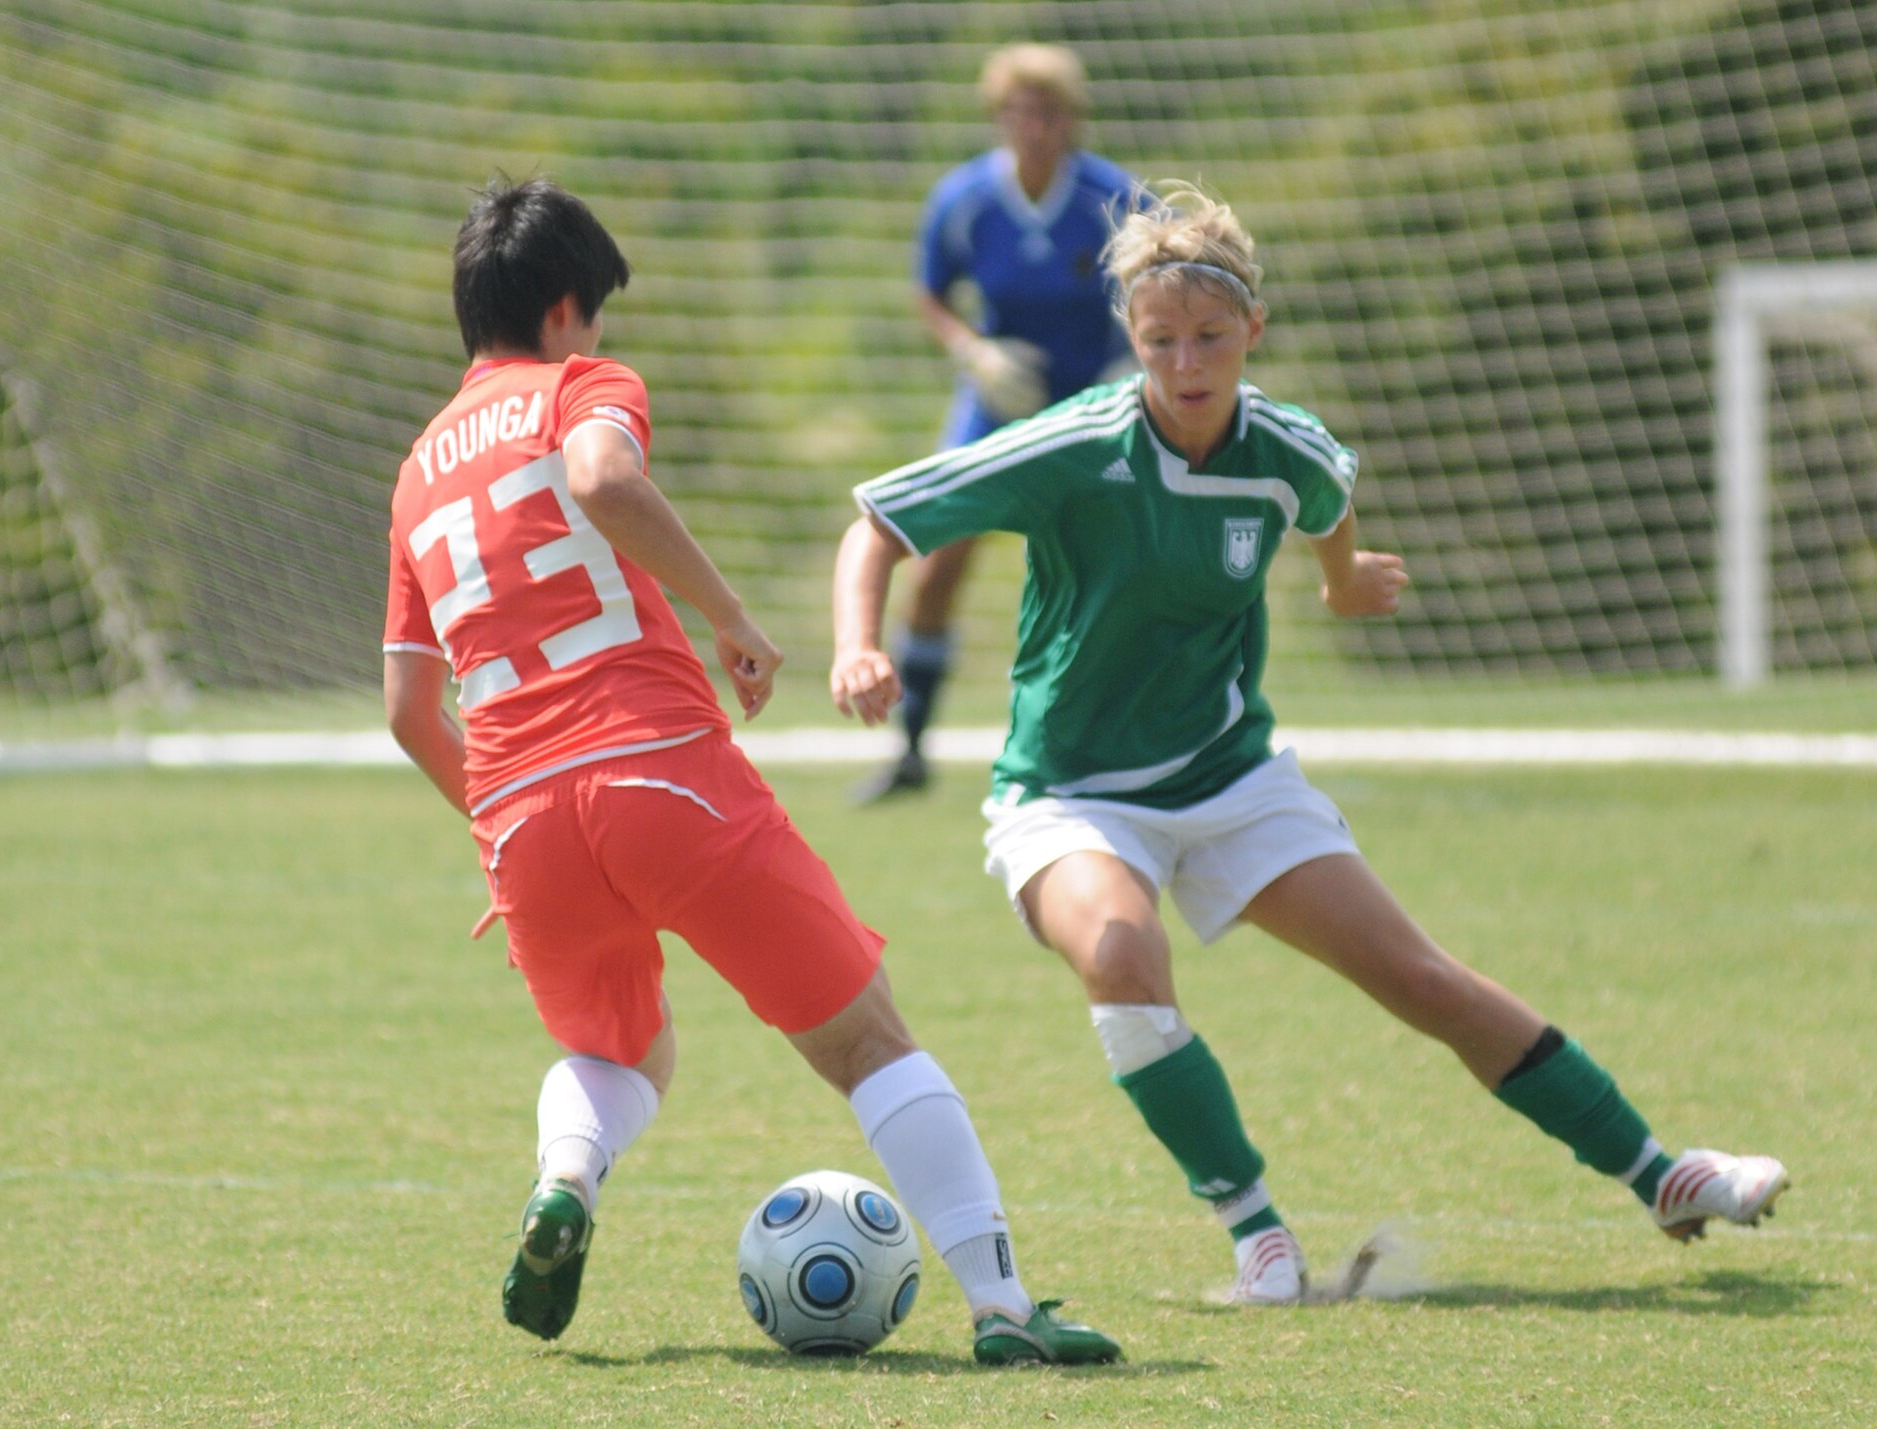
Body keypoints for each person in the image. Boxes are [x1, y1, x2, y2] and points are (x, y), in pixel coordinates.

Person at [830, 182, 1789, 1304]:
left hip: (1231, 778)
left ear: (1252, 332)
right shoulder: (1072, 445)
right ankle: (1257, 1235)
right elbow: (878, 526)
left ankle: (1660, 1173)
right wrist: (858, 647)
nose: (1184, 362)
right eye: (1157, 340)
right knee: (1121, 957)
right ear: (1129, 341)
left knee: (1419, 978)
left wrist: (1344, 583)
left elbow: (1327, 512)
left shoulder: (1294, 451)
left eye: (1208, 337)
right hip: (1068, 792)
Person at [381, 177, 1120, 1364]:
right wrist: (732, 620)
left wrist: (502, 819)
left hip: (519, 815)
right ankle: (1001, 1306)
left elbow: (409, 706)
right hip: (655, 767)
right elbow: (603, 479)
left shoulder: (416, 471)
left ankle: (565, 1181)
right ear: (568, 307)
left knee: (620, 1051)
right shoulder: (583, 386)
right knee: (865, 1038)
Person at [855, 42, 1146, 802]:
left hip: (1093, 405)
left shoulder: (1113, 198)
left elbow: (1166, 278)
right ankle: (911, 748)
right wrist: (975, 352)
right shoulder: (964, 199)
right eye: (1019, 111)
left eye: (1049, 112)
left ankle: (1124, 744)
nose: (1034, 126)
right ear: (999, 117)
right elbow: (930, 294)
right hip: (998, 406)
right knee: (939, 559)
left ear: (1071, 119)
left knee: (1116, 565)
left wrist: (1133, 363)